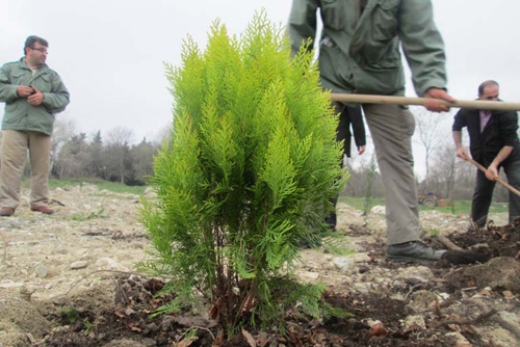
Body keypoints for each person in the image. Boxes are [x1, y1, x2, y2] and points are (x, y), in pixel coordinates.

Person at [288, 0, 484, 264]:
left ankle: (404, 242)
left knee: (397, 156)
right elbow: (299, 27)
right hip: (331, 77)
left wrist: (430, 81)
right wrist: (292, 77)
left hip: (383, 81)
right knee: (320, 154)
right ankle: (309, 230)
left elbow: (419, 30)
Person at [0, 35, 70, 216]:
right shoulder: (9, 69)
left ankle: (39, 202)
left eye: (46, 51)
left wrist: (44, 97)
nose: (44, 54)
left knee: (41, 166)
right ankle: (7, 203)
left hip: (41, 127)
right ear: (28, 50)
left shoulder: (51, 76)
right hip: (14, 125)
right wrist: (15, 90)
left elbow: (64, 98)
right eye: (41, 50)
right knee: (10, 165)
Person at [453, 80, 520, 228]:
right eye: (489, 98)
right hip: (484, 157)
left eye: (496, 96)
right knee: (482, 190)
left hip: (510, 155)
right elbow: (456, 125)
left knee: (517, 184)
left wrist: (495, 165)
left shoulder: (507, 112)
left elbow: (509, 143)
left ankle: (516, 228)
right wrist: (459, 146)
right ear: (479, 96)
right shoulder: (469, 109)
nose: (494, 101)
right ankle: (476, 227)